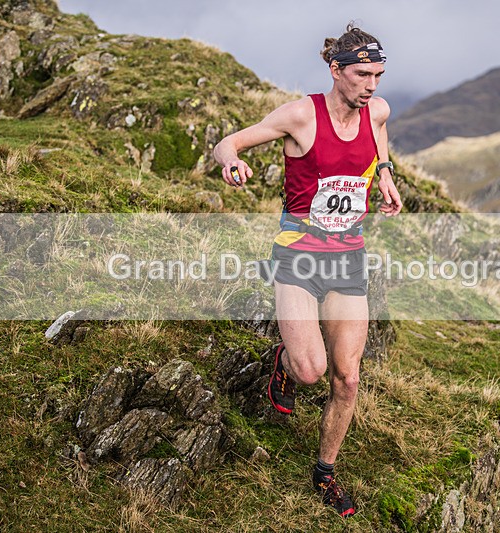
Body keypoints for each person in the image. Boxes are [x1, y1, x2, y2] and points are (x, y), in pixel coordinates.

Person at [213, 23, 402, 517]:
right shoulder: (301, 116)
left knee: (348, 379)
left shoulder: (377, 110)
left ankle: (324, 472)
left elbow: (379, 131)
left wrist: (384, 173)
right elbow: (228, 143)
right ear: (336, 70)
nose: (372, 86)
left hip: (349, 257)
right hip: (298, 257)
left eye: (378, 76)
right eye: (362, 75)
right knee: (310, 370)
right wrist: (231, 163)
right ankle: (285, 361)